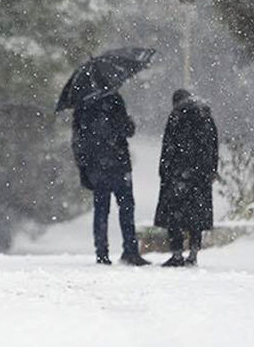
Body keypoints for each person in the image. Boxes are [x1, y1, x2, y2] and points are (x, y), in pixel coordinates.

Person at [71, 91, 150, 266]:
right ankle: (130, 250)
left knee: (101, 210)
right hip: (118, 163)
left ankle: (101, 252)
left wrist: (83, 167)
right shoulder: (114, 99)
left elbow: (78, 140)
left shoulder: (83, 104)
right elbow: (128, 130)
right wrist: (127, 121)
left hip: (96, 166)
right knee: (126, 208)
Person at [154, 89, 219, 267]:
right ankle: (193, 253)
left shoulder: (176, 117)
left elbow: (168, 146)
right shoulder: (206, 116)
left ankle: (176, 254)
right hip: (200, 176)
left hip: (178, 175)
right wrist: (212, 170)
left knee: (175, 215)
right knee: (196, 214)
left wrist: (164, 170)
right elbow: (214, 146)